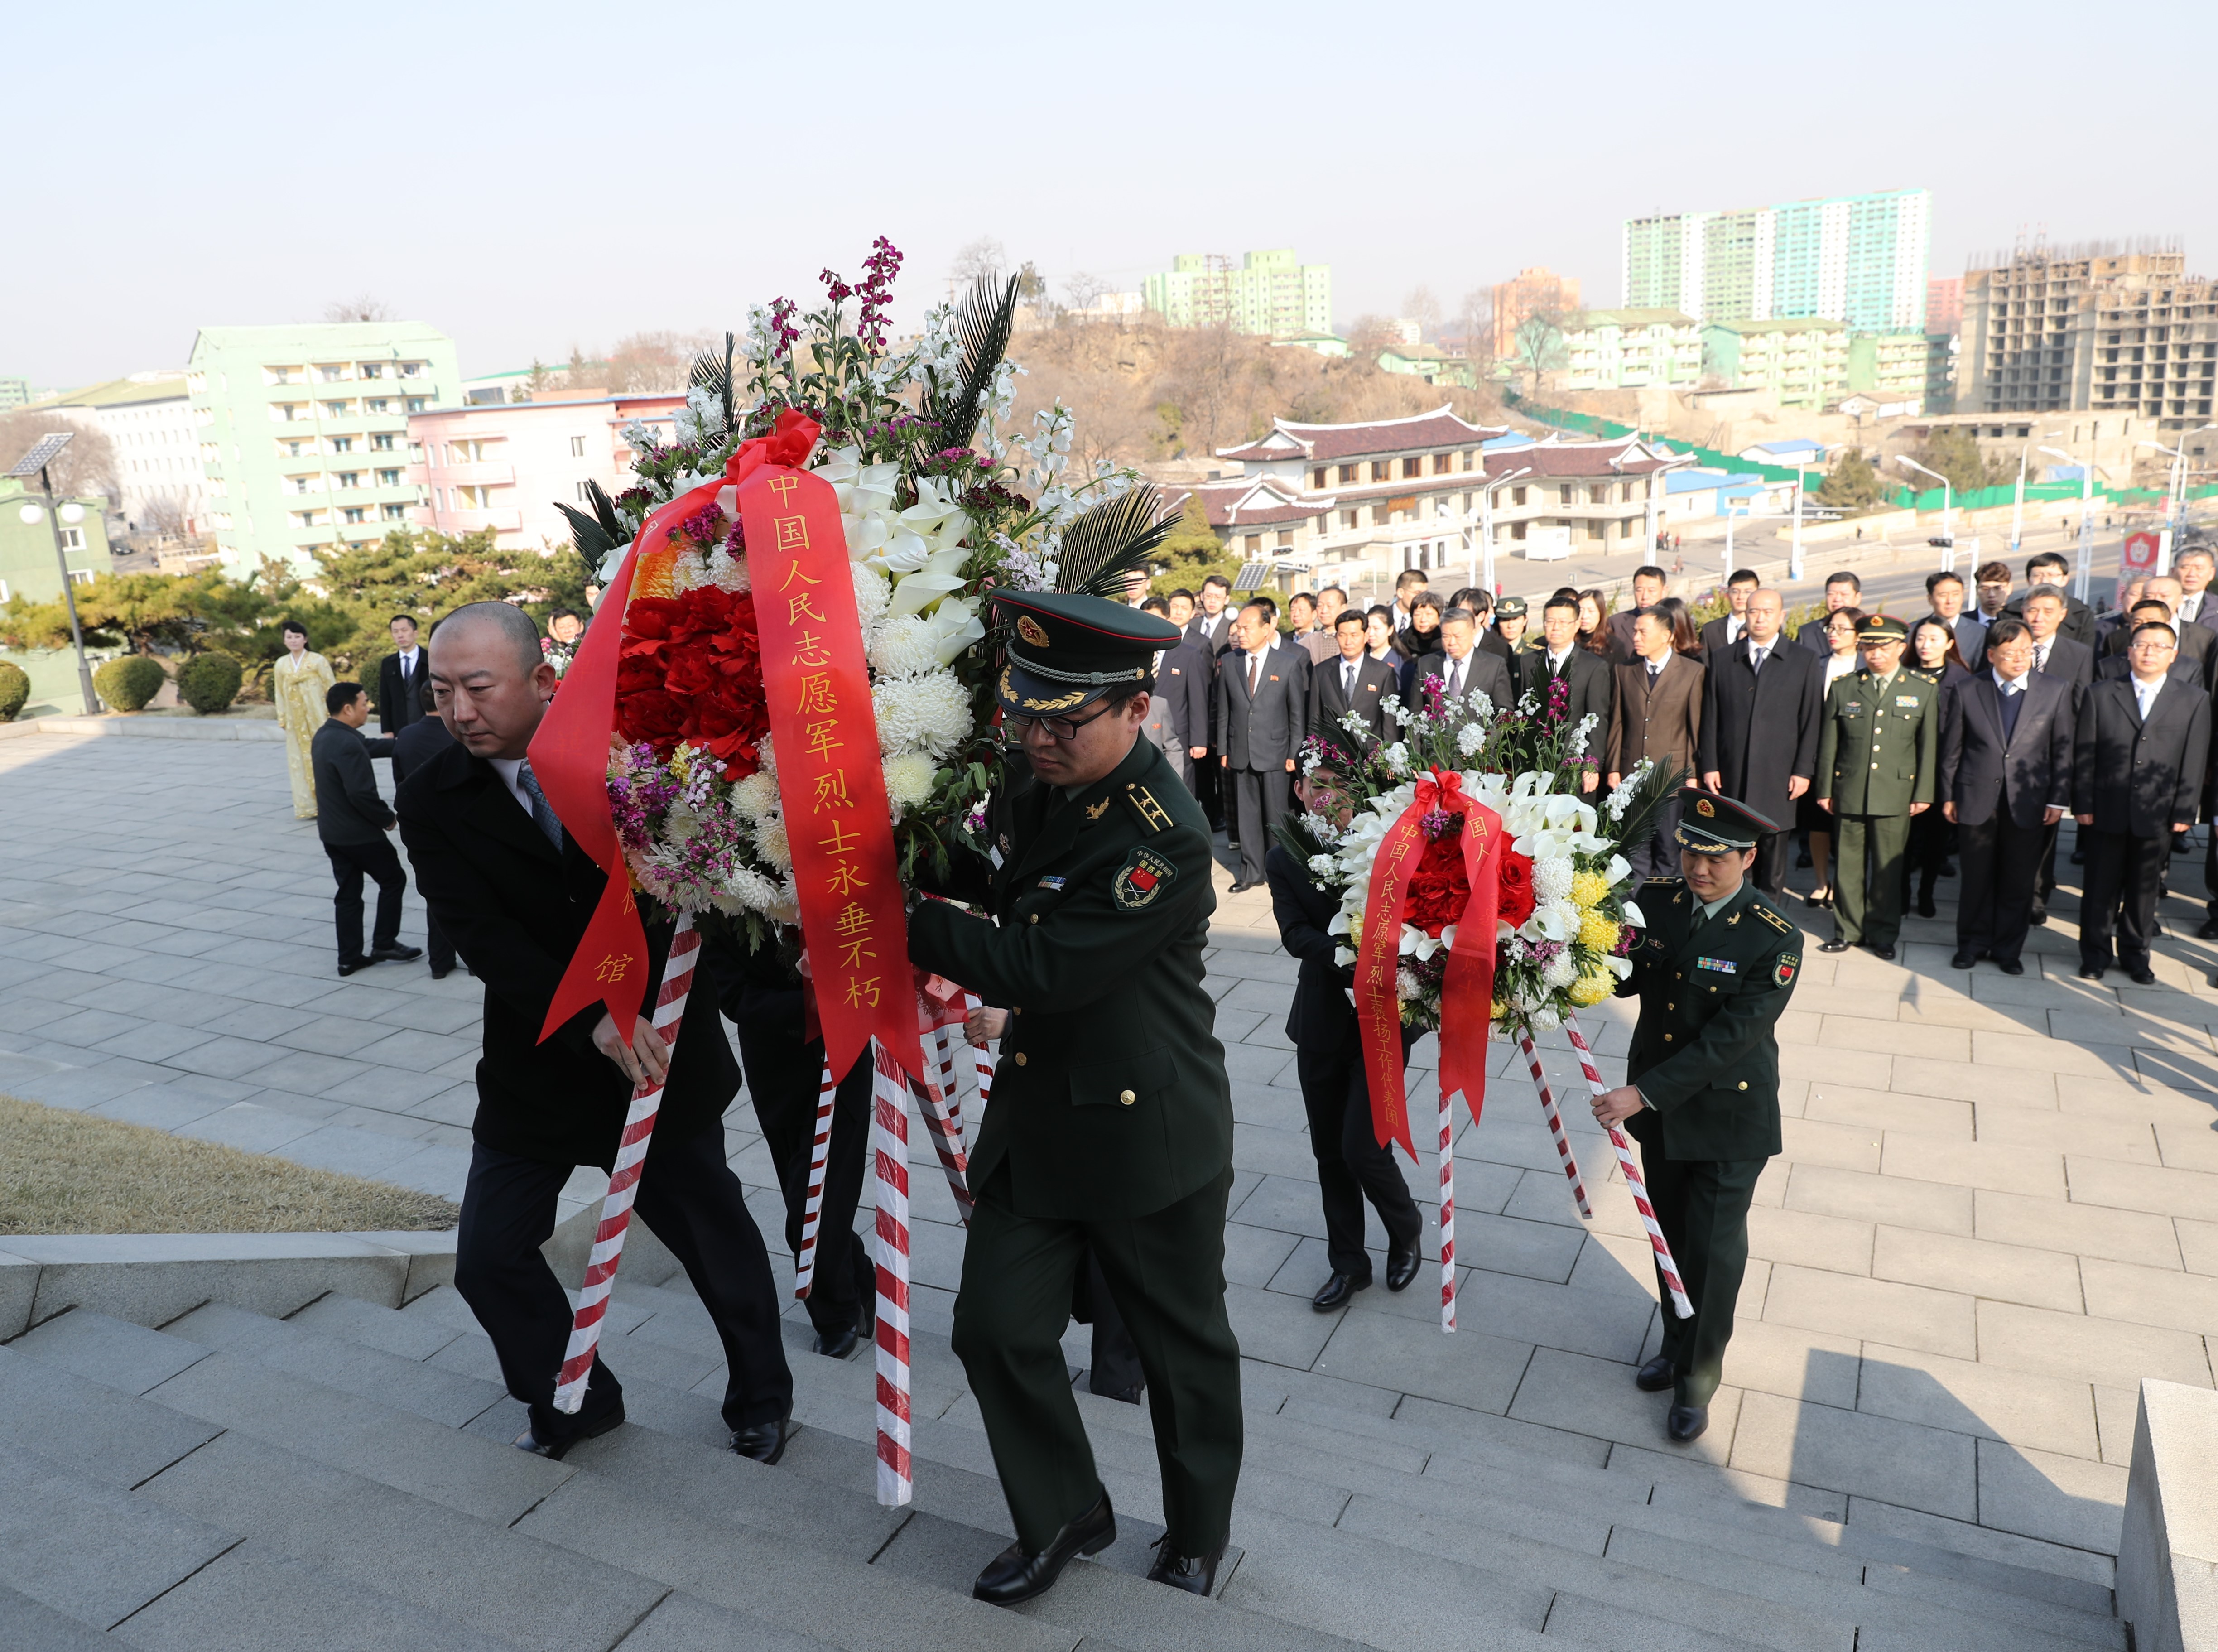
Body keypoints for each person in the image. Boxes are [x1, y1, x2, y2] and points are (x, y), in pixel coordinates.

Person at [398, 601, 794, 1465]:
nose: (459, 711)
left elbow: (706, 871)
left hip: (655, 1055)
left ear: (542, 681)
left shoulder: (628, 756)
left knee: (714, 1243)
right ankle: (573, 1397)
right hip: (537, 1058)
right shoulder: (430, 789)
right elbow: (483, 935)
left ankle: (762, 1397)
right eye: (441, 692)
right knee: (487, 1256)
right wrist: (589, 1017)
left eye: (477, 688)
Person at [907, 588, 1241, 1604]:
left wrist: (895, 911)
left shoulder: (1165, 839)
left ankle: (1197, 1528)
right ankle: (1065, 1510)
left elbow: (1039, 964)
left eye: (1065, 719)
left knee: (1180, 1348)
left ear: (1138, 709)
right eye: (1025, 711)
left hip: (1146, 1129)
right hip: (1042, 1109)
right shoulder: (1037, 775)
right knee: (994, 1326)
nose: (1037, 736)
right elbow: (1003, 873)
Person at [1593, 791, 1800, 1445]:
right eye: (1689, 851)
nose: (1697, 867)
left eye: (1714, 858)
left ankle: (1698, 1377)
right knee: (1670, 1236)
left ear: (1748, 855)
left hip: (1724, 1118)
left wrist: (1640, 1093)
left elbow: (1727, 1042)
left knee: (1711, 1251)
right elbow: (1625, 974)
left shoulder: (1774, 936)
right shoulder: (1658, 900)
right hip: (1661, 1117)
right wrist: (1567, 957)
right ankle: (1675, 1340)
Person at [1267, 774, 1421, 1311]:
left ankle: (1406, 1226)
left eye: (1335, 784)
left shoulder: (1389, 841)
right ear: (1300, 792)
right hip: (1322, 1020)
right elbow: (1292, 933)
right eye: (1314, 785)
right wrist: (1353, 953)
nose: (1325, 794)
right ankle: (1348, 1264)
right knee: (1330, 1152)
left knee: (1364, 1145)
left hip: (1383, 1020)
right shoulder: (1284, 854)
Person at [700, 942, 878, 1361]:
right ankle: (861, 1278)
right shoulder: (715, 903)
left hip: (841, 1062)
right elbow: (735, 996)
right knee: (808, 1199)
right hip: (775, 1070)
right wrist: (814, 1004)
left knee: (810, 1215)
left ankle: (838, 1313)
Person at [2074, 621, 2209, 984]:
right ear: (2128, 651)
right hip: (2106, 807)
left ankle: (2135, 954)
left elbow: (2193, 757)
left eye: (2159, 646)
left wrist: (2185, 808)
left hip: (2158, 811)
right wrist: (2082, 802)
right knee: (2099, 887)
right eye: (2142, 645)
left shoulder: (2193, 699)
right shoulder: (2100, 693)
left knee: (2143, 889)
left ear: (2173, 655)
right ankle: (2095, 954)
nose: (2149, 652)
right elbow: (2085, 753)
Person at [1939, 617, 2071, 975]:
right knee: (1976, 879)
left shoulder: (2054, 690)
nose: (2018, 658)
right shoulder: (1969, 689)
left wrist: (2057, 799)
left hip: (2029, 800)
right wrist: (1948, 795)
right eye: (2010, 652)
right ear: (1991, 654)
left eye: (2025, 651)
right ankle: (1971, 943)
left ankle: (2008, 949)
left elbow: (2062, 750)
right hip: (1976, 797)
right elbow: (1952, 749)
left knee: (2018, 880)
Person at [1813, 616, 1939, 961]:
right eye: (1868, 647)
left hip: (1896, 792)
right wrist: (1824, 787)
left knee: (1887, 868)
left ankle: (1883, 932)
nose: (1875, 654)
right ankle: (1847, 930)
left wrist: (1923, 793)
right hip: (1850, 788)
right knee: (1849, 866)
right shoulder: (1844, 686)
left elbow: (1927, 747)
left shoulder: (1922, 688)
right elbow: (1829, 743)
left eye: (1883, 647)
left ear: (1901, 647)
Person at [1699, 588, 1820, 896]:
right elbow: (1710, 715)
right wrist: (1710, 764)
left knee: (1773, 857)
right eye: (1754, 611)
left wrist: (1803, 770)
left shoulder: (1803, 659)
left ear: (1782, 616)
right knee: (1732, 852)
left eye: (1768, 612)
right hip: (1731, 770)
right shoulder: (1724, 657)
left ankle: (1768, 925)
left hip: (1778, 774)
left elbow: (1811, 720)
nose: (1760, 618)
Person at [312, 681, 423, 978]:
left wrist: (405, 741)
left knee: (348, 893)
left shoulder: (326, 734)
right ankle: (384, 943)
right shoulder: (347, 743)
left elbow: (367, 746)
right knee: (393, 878)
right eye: (364, 702)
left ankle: (348, 958)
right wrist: (387, 817)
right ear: (348, 708)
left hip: (332, 833)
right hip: (358, 835)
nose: (368, 706)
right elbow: (360, 794)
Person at [1217, 599, 1310, 893]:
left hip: (1276, 752)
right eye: (1238, 628)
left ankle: (1282, 871)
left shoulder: (1288, 662)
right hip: (1239, 751)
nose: (1240, 633)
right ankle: (1251, 871)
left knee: (1277, 816)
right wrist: (1223, 748)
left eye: (1247, 627)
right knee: (1247, 816)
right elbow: (1224, 710)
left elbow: (1297, 713)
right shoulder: (1230, 662)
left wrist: (1294, 752)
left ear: (1267, 628)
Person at [1607, 606, 1704, 880]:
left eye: (1643, 632)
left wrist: (1693, 773)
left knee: (1668, 850)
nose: (1636, 637)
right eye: (1635, 631)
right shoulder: (1625, 670)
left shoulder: (1692, 673)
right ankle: (1633, 916)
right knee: (1634, 850)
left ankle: (1664, 912)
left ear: (1666, 636)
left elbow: (1694, 728)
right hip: (1632, 775)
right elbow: (1618, 722)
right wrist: (1614, 767)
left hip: (1671, 777)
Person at [2023, 583, 2096, 920]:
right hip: (2009, 750)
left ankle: (2037, 896)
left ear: (2062, 615)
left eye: (2047, 611)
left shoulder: (2076, 653)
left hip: (2052, 755)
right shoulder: (2009, 643)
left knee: (2046, 828)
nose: (2038, 618)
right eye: (2032, 610)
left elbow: (2080, 707)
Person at [1902, 617, 1973, 916]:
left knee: (1935, 841)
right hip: (1906, 770)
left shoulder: (1963, 679)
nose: (1924, 645)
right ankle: (1901, 892)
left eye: (1933, 639)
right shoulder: (1903, 675)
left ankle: (1926, 892)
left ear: (1949, 643)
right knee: (1903, 841)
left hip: (1943, 772)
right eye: (1919, 638)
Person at [393, 677, 462, 978]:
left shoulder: (405, 736)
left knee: (437, 896)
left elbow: (399, 780)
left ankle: (440, 961)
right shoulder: (459, 735)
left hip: (424, 826)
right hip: (462, 823)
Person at [1800, 607, 1866, 909]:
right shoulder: (1815, 665)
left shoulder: (1868, 666)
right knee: (1818, 823)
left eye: (1842, 629)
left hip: (1856, 758)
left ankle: (1844, 884)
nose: (1833, 634)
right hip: (1819, 756)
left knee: (1849, 826)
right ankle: (1820, 882)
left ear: (1858, 635)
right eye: (1830, 628)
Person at [1521, 592, 1613, 792]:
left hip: (1573, 764)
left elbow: (1597, 719)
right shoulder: (1528, 663)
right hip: (1535, 764)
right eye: (1550, 621)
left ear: (1576, 624)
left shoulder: (1594, 667)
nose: (1556, 628)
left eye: (1563, 622)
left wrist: (1591, 766)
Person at [1311, 606, 1400, 756]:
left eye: (1354, 635)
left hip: (1372, 757)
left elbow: (1389, 724)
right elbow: (1315, 719)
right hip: (1333, 757)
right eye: (1342, 635)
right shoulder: (1321, 671)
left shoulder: (1383, 673)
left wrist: (1389, 758)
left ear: (1365, 636)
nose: (1348, 641)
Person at [272, 620, 337, 819]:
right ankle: (308, 805)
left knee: (324, 758)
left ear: (305, 639)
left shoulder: (318, 661)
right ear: (284, 641)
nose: (293, 641)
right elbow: (279, 693)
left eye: (297, 637)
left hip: (318, 718)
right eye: (289, 637)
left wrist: (334, 715)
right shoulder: (281, 664)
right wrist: (282, 717)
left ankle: (331, 802)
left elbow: (331, 689)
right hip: (295, 721)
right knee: (298, 761)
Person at [2108, 576, 2215, 684]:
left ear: (2180, 600)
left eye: (2164, 596)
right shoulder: (2117, 638)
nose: (2156, 600)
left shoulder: (2204, 636)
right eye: (2148, 596)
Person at [1413, 606, 1514, 717]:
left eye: (1458, 636)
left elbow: (1504, 712)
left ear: (1473, 633)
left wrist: (1487, 734)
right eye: (1446, 636)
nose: (1452, 642)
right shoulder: (1426, 664)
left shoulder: (1494, 665)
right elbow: (1416, 712)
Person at [376, 614, 431, 780]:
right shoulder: (388, 663)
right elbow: (385, 698)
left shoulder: (429, 659)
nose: (400, 635)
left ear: (415, 633)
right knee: (403, 770)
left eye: (404, 630)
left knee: (429, 765)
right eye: (396, 631)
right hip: (400, 725)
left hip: (425, 721)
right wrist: (387, 729)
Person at [2009, 552, 2099, 648]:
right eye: (2037, 576)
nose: (2044, 581)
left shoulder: (2082, 615)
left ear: (2065, 580)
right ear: (2028, 580)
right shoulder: (2009, 614)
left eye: (2052, 575)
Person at [1925, 571, 1987, 669]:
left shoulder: (1978, 632)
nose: (1950, 601)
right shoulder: (1914, 631)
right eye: (1943, 595)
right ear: (1930, 599)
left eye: (1956, 594)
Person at [1607, 567, 1668, 664]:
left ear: (1664, 591)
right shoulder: (1616, 623)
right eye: (1639, 590)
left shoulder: (1675, 621)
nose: (1645, 597)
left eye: (1651, 590)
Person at [1392, 592, 1444, 700]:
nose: (1423, 620)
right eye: (1417, 615)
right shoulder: (1402, 642)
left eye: (1429, 614)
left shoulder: (1445, 643)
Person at [1795, 572, 1863, 653]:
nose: (1837, 599)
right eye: (1832, 594)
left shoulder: (1868, 629)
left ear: (1858, 598)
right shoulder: (1807, 633)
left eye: (1844, 595)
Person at [1698, 569, 1760, 658]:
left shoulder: (1764, 627)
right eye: (1735, 592)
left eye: (1747, 592)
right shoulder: (1710, 631)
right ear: (1728, 593)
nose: (1741, 597)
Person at [1300, 586, 1347, 665]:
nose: (1324, 611)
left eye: (1330, 606)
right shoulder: (1305, 643)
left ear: (1343, 608)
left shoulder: (1354, 640)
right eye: (1320, 606)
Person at [1481, 595, 1529, 664]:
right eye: (1505, 620)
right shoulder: (1487, 652)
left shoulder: (1535, 654)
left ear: (1525, 620)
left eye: (1516, 619)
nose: (1510, 626)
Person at [1390, 567, 1429, 631]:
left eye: (1425, 594)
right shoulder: (1382, 617)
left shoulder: (1426, 622)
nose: (1423, 598)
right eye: (1418, 593)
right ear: (1401, 593)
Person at [1576, 589, 1611, 659]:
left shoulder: (1613, 645)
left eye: (1591, 611)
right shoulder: (1567, 641)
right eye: (1581, 610)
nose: (1584, 616)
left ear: (1601, 613)